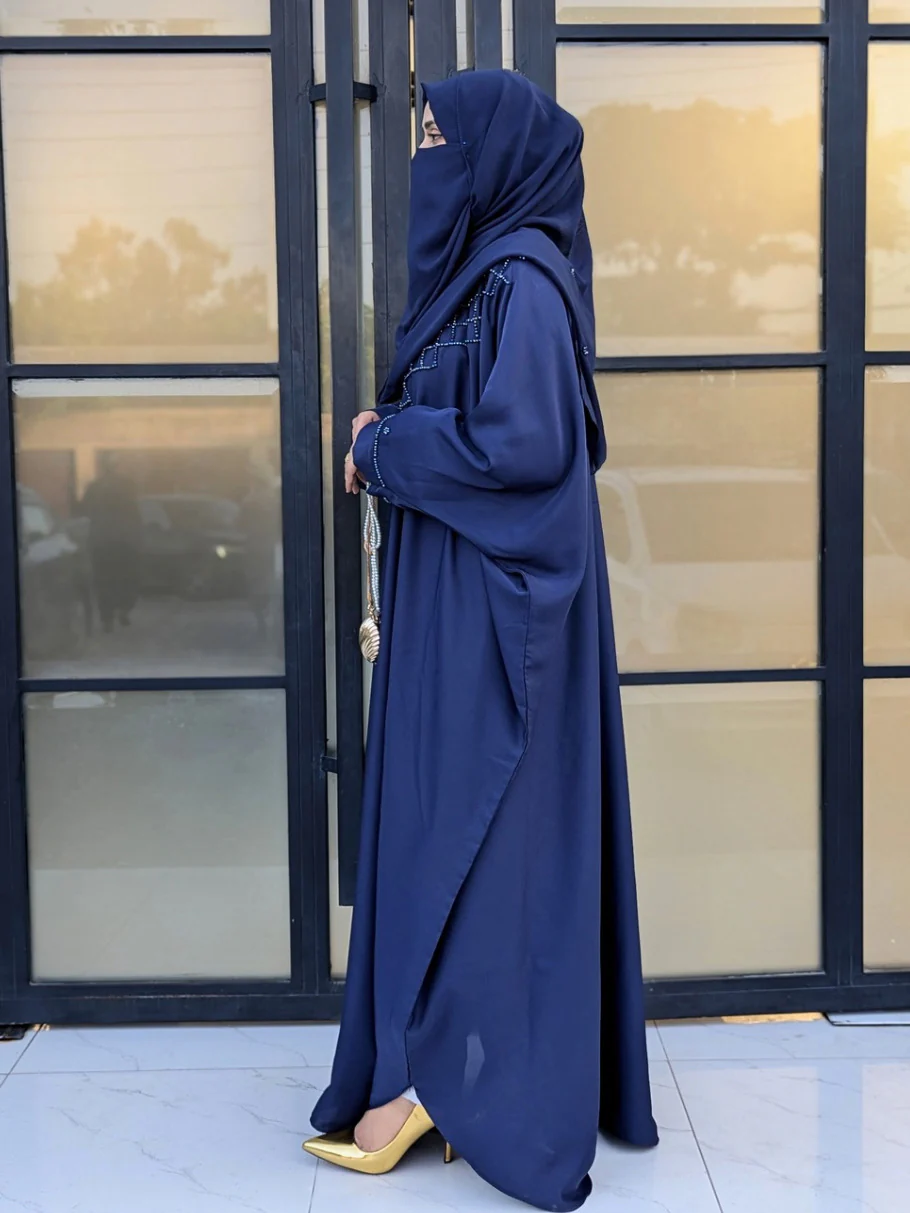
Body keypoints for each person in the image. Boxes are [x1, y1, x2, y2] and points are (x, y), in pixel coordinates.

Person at [304, 70, 658, 1212]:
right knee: (444, 830)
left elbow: (526, 446)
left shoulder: (524, 283)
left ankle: (449, 1088)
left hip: (501, 626)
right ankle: (437, 1070)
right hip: (458, 609)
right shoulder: (484, 277)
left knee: (481, 837)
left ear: (495, 157)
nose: (426, 159)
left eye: (437, 138)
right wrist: (396, 433)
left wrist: (384, 445)